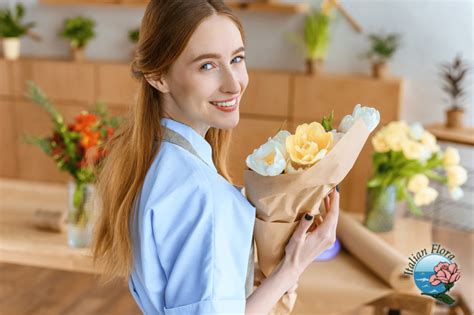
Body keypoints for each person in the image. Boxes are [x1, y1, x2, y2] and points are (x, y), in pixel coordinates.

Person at [91, 1, 340, 314]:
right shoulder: (202, 194)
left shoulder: (149, 157)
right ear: (158, 77)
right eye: (207, 66)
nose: (234, 83)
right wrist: (293, 265)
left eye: (236, 59)